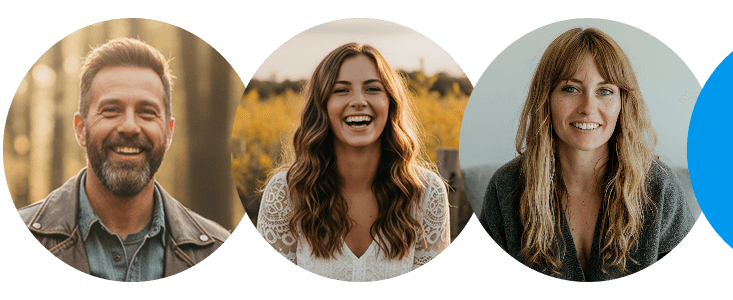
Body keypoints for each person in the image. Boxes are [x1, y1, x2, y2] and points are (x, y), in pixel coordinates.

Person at [480, 28, 696, 281]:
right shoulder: (506, 187)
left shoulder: (658, 187)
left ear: (622, 103)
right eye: (571, 89)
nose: (588, 108)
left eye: (605, 91)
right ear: (546, 98)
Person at [17, 37, 231, 281]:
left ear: (168, 133)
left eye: (146, 112)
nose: (129, 126)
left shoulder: (215, 247)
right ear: (81, 129)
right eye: (111, 110)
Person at [255, 43, 450, 282]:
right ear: (322, 107)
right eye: (341, 90)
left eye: (372, 88)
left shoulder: (427, 192)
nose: (359, 101)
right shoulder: (284, 192)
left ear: (391, 103)